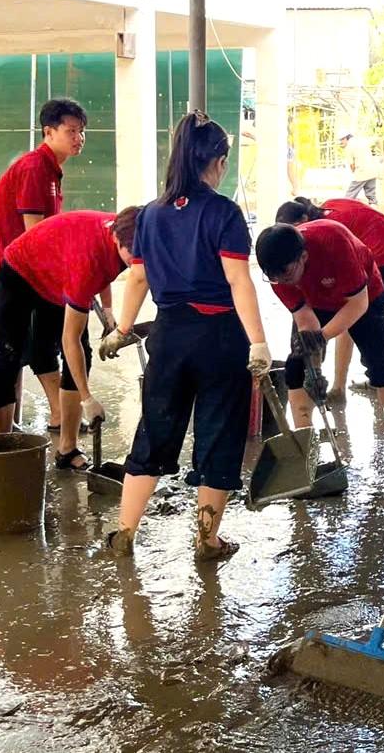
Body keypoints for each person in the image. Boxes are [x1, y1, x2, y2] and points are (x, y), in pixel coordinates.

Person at [100, 112, 271, 562]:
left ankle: (125, 532)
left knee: (155, 430)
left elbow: (137, 281)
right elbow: (239, 281)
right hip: (219, 339)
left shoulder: (150, 215)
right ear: (214, 160)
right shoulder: (223, 212)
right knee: (218, 436)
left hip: (169, 335)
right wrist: (259, 341)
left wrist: (121, 331)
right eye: (225, 159)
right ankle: (207, 540)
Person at [0, 207, 140, 470]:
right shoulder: (87, 263)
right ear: (115, 237)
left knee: (84, 354)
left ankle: (67, 449)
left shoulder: (127, 233)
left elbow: (105, 268)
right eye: (134, 255)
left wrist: (108, 308)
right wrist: (87, 398)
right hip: (20, 270)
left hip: (56, 275)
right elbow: (70, 338)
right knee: (7, 354)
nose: (139, 261)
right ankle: (0, 446)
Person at [255, 220, 384, 462]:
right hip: (316, 301)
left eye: (286, 273)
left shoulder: (334, 242)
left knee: (380, 365)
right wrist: (313, 363)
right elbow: (304, 316)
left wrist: (322, 336)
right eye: (274, 276)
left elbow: (358, 304)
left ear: (304, 256)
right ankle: (305, 449)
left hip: (364, 296)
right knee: (297, 367)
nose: (282, 280)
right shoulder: (279, 276)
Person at [0, 97, 88, 431]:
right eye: (71, 130)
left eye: (82, 132)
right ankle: (1, 433)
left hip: (33, 272)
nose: (78, 138)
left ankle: (58, 413)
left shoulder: (51, 170)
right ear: (48, 132)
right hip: (10, 271)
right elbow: (36, 235)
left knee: (46, 341)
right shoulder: (34, 168)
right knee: (11, 350)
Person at [274, 196, 384, 401]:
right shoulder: (321, 213)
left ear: (304, 219)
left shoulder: (328, 234)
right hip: (379, 244)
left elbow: (355, 305)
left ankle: (368, 380)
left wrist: (320, 338)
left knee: (357, 316)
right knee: (343, 313)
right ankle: (340, 386)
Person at [340, 132, 380, 204]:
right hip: (373, 170)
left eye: (341, 140)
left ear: (345, 138)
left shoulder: (349, 147)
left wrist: (353, 172)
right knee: (371, 195)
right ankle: (374, 208)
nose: (341, 142)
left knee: (350, 195)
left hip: (361, 172)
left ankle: (344, 207)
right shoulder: (361, 141)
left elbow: (352, 165)